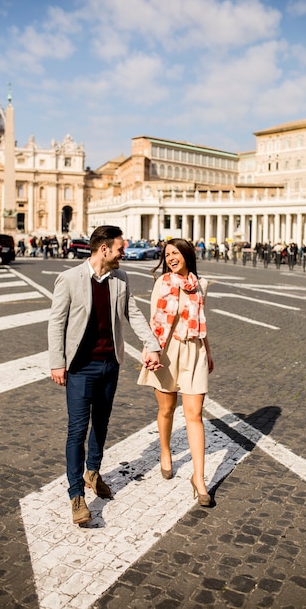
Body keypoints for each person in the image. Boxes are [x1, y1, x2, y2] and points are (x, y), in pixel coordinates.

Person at [48, 225, 162, 525]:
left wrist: (151, 345)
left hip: (110, 364)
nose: (123, 253)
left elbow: (133, 313)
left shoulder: (120, 278)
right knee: (76, 430)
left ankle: (93, 472)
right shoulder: (70, 278)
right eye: (120, 248)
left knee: (101, 424)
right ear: (104, 249)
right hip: (80, 367)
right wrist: (56, 362)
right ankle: (76, 496)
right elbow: (56, 323)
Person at [137, 238, 214, 506]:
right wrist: (150, 351)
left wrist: (209, 352)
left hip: (194, 352)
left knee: (195, 415)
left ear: (186, 256)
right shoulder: (162, 283)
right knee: (167, 409)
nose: (171, 257)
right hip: (167, 351)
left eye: (175, 253)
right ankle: (166, 451)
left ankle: (199, 478)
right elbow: (154, 320)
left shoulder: (199, 285)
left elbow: (202, 322)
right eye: (167, 254)